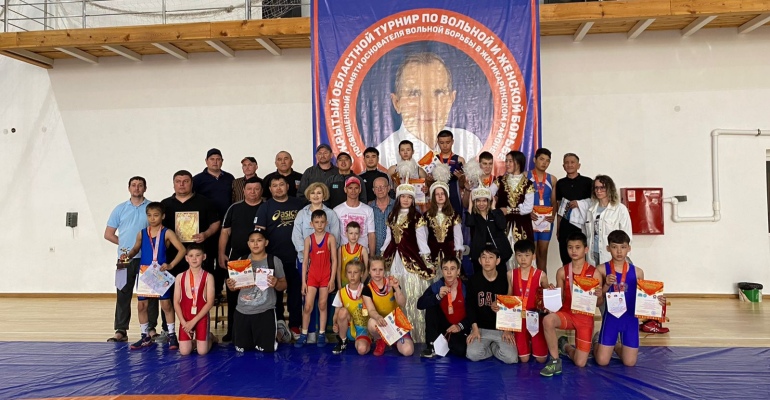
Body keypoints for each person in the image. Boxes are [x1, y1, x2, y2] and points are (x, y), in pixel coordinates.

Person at [377, 52, 482, 167]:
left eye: (439, 93)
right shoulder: (382, 157)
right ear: (397, 103)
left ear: (451, 100)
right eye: (414, 94)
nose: (428, 108)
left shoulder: (472, 145)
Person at [594, 230, 665, 367]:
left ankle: (615, 346)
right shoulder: (601, 270)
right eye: (614, 247)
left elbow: (642, 298)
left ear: (629, 248)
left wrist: (656, 301)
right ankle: (597, 341)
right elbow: (598, 301)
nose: (619, 251)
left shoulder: (638, 272)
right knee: (602, 361)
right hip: (611, 318)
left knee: (629, 362)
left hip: (630, 319)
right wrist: (606, 284)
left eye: (623, 247)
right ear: (608, 248)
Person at [122, 202, 187, 350]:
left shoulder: (167, 232)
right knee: (141, 306)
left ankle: (172, 335)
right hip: (145, 273)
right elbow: (135, 249)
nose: (152, 218)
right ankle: (145, 336)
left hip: (159, 273)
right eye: (149, 215)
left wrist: (171, 265)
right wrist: (128, 256)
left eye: (156, 215)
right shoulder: (142, 233)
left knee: (166, 305)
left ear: (162, 216)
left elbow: (182, 250)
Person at [540, 232, 602, 377]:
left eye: (577, 247)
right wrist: (552, 295)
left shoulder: (594, 273)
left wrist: (599, 296)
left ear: (586, 249)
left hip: (585, 318)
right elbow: (559, 300)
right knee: (548, 320)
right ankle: (555, 360)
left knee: (580, 363)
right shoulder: (562, 272)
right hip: (567, 314)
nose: (573, 251)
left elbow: (599, 303)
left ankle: (565, 346)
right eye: (570, 247)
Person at [105, 176, 157, 343]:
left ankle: (151, 329)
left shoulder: (151, 208)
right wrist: (126, 246)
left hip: (147, 259)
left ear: (145, 188)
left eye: (140, 185)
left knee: (150, 295)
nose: (137, 188)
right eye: (133, 185)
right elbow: (108, 234)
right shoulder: (120, 209)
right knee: (122, 294)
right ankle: (120, 330)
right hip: (124, 259)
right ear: (129, 188)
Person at [381, 181, 434, 343]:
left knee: (411, 295)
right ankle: (393, 335)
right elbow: (388, 239)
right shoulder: (392, 216)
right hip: (393, 260)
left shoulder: (417, 217)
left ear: (413, 199)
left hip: (411, 260)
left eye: (409, 197)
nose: (405, 200)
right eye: (402, 196)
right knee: (392, 296)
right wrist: (382, 255)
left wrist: (427, 262)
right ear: (398, 198)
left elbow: (422, 242)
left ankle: (415, 335)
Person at [255, 175, 304, 338]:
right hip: (273, 259)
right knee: (273, 293)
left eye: (281, 184)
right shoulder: (265, 207)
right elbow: (259, 234)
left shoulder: (299, 204)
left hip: (296, 257)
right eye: (274, 185)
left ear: (287, 186)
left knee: (295, 293)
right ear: (270, 189)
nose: (278, 188)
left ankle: (295, 325)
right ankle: (279, 324)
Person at [218, 176, 265, 342]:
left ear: (262, 191)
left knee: (262, 292)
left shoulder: (267, 206)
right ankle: (232, 330)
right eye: (249, 189)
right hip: (237, 258)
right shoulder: (234, 208)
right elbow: (225, 232)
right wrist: (221, 253)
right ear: (243, 191)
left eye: (256, 189)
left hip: (261, 258)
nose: (253, 192)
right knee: (234, 295)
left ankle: (261, 330)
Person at [226, 229, 287, 353]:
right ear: (248, 243)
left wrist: (276, 283)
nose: (255, 244)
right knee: (242, 349)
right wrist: (230, 285)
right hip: (243, 310)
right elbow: (233, 288)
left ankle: (280, 331)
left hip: (265, 311)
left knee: (266, 350)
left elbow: (284, 285)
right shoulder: (241, 261)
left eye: (259, 240)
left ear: (266, 242)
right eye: (252, 241)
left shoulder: (274, 261)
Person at [160, 170, 221, 289]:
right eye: (178, 181)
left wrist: (206, 234)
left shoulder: (204, 202)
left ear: (192, 183)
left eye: (186, 181)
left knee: (201, 289)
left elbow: (215, 222)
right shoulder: (165, 204)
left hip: (198, 254)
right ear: (173, 184)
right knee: (174, 290)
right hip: (173, 256)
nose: (182, 184)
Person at [465, 246, 518, 364]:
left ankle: (494, 348)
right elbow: (470, 306)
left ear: (497, 260)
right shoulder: (473, 280)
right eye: (484, 257)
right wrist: (474, 329)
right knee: (472, 354)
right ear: (480, 260)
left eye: (491, 257)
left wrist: (508, 330)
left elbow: (513, 304)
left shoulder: (505, 279)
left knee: (511, 358)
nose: (487, 261)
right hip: (481, 329)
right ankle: (490, 349)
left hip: (501, 329)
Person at [296, 210, 338, 347]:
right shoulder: (308, 239)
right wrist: (304, 282)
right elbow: (305, 262)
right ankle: (304, 334)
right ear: (311, 224)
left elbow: (334, 260)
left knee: (322, 305)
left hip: (325, 276)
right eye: (316, 222)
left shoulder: (330, 238)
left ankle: (321, 334)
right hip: (312, 277)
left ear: (326, 223)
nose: (319, 225)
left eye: (322, 222)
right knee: (308, 306)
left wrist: (332, 279)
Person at [362, 256, 414, 357]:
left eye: (380, 269)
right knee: (372, 323)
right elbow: (371, 310)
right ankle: (380, 339)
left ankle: (394, 340)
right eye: (374, 270)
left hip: (396, 322)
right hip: (381, 323)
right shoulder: (367, 289)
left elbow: (402, 303)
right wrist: (378, 317)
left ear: (385, 270)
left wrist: (396, 288)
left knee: (408, 351)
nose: (377, 273)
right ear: (369, 271)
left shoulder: (391, 283)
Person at [417, 257, 469, 358]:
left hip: (460, 327)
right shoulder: (437, 286)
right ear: (442, 271)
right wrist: (438, 296)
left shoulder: (466, 287)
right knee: (431, 304)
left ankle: (448, 343)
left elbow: (473, 311)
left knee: (460, 350)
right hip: (443, 326)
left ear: (458, 271)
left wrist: (460, 326)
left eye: (452, 269)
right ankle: (431, 345)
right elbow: (420, 304)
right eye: (445, 269)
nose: (449, 272)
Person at [491, 150, 534, 268]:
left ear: (519, 163)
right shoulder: (500, 181)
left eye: (510, 161)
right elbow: (487, 194)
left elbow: (528, 208)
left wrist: (509, 210)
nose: (507, 164)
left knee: (522, 254)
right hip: (502, 225)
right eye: (506, 161)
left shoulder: (528, 184)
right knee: (502, 254)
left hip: (522, 226)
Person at [509, 239, 549, 363]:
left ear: (533, 256)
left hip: (535, 318)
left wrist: (551, 290)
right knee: (524, 359)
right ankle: (527, 343)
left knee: (541, 359)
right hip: (519, 319)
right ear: (515, 256)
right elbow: (509, 296)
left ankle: (535, 343)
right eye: (519, 255)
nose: (523, 259)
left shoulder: (541, 275)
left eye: (527, 255)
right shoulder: (511, 274)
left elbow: (547, 295)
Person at [174, 243, 216, 356]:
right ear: (186, 258)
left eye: (198, 255)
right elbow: (176, 302)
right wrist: (184, 323)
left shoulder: (208, 277)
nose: (194, 258)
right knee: (184, 352)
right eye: (191, 255)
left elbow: (210, 302)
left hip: (201, 317)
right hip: (185, 318)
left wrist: (193, 322)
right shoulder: (179, 277)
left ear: (204, 257)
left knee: (202, 352)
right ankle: (195, 342)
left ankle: (210, 337)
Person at [555, 153, 593, 265]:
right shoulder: (560, 183)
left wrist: (579, 204)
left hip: (582, 225)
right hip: (565, 224)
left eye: (572, 162)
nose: (569, 165)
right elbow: (559, 206)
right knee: (566, 256)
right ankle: (567, 276)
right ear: (563, 166)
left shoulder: (588, 182)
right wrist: (558, 228)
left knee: (582, 257)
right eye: (566, 163)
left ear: (578, 165)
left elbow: (593, 203)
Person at [585, 175, 632, 266]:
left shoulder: (620, 209)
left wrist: (624, 258)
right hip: (593, 254)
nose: (598, 191)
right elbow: (588, 235)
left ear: (609, 189)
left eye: (602, 188)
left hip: (610, 255)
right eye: (596, 188)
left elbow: (627, 235)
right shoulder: (591, 210)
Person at [465, 185, 512, 276]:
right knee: (480, 279)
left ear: (488, 201)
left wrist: (493, 208)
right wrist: (470, 205)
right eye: (478, 201)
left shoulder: (495, 213)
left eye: (484, 201)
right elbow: (469, 223)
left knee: (501, 278)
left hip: (498, 253)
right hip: (480, 254)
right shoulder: (474, 215)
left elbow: (502, 225)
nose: (481, 204)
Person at [527, 148, 558, 273]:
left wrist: (553, 216)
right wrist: (528, 212)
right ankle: (530, 281)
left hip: (546, 220)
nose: (544, 163)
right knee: (530, 253)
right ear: (535, 160)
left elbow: (554, 201)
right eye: (541, 159)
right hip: (531, 219)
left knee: (543, 252)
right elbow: (520, 199)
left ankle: (543, 282)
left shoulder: (552, 179)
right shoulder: (525, 176)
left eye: (547, 161)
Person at [424, 177, 464, 272]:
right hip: (433, 253)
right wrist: (426, 259)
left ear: (446, 195)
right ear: (433, 197)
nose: (440, 196)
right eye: (437, 194)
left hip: (450, 253)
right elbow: (424, 237)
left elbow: (458, 237)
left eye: (442, 194)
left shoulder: (454, 215)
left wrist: (458, 258)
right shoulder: (427, 215)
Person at [331, 260, 370, 355]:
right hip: (347, 329)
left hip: (362, 329)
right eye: (349, 272)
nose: (352, 276)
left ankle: (364, 341)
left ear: (361, 274)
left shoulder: (367, 290)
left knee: (362, 350)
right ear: (346, 274)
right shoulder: (341, 292)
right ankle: (343, 341)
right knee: (342, 311)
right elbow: (336, 314)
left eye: (355, 272)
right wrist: (335, 324)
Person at [334, 177, 376, 256]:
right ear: (345, 189)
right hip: (344, 254)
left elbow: (371, 234)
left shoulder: (368, 210)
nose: (353, 191)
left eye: (356, 188)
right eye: (350, 188)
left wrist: (372, 256)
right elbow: (335, 235)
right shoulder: (337, 210)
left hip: (363, 254)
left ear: (360, 190)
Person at [431, 130, 465, 215]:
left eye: (448, 142)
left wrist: (461, 179)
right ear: (438, 143)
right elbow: (429, 184)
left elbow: (463, 186)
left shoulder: (460, 160)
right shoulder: (433, 160)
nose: (445, 145)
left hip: (454, 196)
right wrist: (428, 180)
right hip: (438, 197)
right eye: (442, 143)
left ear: (452, 142)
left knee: (456, 220)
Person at [368, 176, 394, 256]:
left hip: (394, 254)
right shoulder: (369, 208)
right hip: (375, 255)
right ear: (373, 190)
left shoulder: (397, 206)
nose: (380, 189)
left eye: (382, 186)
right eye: (376, 187)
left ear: (388, 188)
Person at [339, 221, 368, 288]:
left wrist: (361, 284)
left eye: (356, 233)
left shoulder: (363, 250)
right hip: (344, 284)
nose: (353, 236)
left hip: (357, 285)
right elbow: (338, 269)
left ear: (359, 234)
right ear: (346, 234)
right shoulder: (341, 249)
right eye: (351, 233)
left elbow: (367, 269)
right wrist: (339, 286)